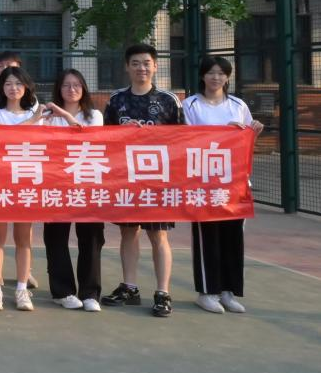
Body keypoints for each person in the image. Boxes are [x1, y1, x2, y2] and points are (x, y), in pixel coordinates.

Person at [100, 43, 184, 318]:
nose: (141, 68)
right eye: (135, 63)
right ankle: (130, 287)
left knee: (158, 235)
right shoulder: (116, 100)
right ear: (127, 67)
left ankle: (162, 292)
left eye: (146, 63)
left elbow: (183, 139)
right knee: (128, 232)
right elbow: (104, 140)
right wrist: (121, 132)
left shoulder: (169, 100)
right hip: (126, 179)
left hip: (157, 180)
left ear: (155, 66)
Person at [182, 55, 263, 315]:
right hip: (203, 182)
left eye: (221, 73)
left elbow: (246, 142)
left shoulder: (239, 105)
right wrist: (222, 131)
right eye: (211, 72)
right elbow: (186, 139)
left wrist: (253, 131)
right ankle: (207, 292)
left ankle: (228, 291)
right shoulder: (190, 105)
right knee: (208, 238)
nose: (216, 77)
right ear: (202, 76)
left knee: (233, 238)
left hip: (235, 183)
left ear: (228, 77)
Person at [40, 68, 106, 312]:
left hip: (87, 183)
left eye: (77, 85)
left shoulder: (94, 115)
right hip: (57, 183)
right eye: (66, 85)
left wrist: (66, 116)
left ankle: (90, 293)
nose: (71, 89)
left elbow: (88, 139)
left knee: (91, 238)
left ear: (84, 88)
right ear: (59, 88)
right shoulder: (48, 116)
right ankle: (63, 291)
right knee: (56, 237)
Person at [0, 65, 42, 312]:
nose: (13, 88)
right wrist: (30, 122)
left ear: (26, 87)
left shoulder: (36, 114)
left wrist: (33, 120)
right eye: (8, 84)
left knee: (23, 239)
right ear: (1, 88)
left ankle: (21, 289)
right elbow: (5, 137)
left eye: (18, 83)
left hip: (26, 182)